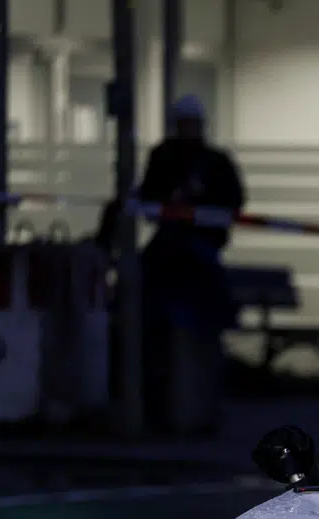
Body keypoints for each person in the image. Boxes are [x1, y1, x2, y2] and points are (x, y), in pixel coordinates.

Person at [138, 94, 245, 436]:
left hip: (192, 257)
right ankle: (176, 408)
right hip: (178, 259)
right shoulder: (170, 158)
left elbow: (232, 200)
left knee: (196, 338)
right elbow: (149, 196)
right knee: (173, 339)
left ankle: (192, 410)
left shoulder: (209, 162)